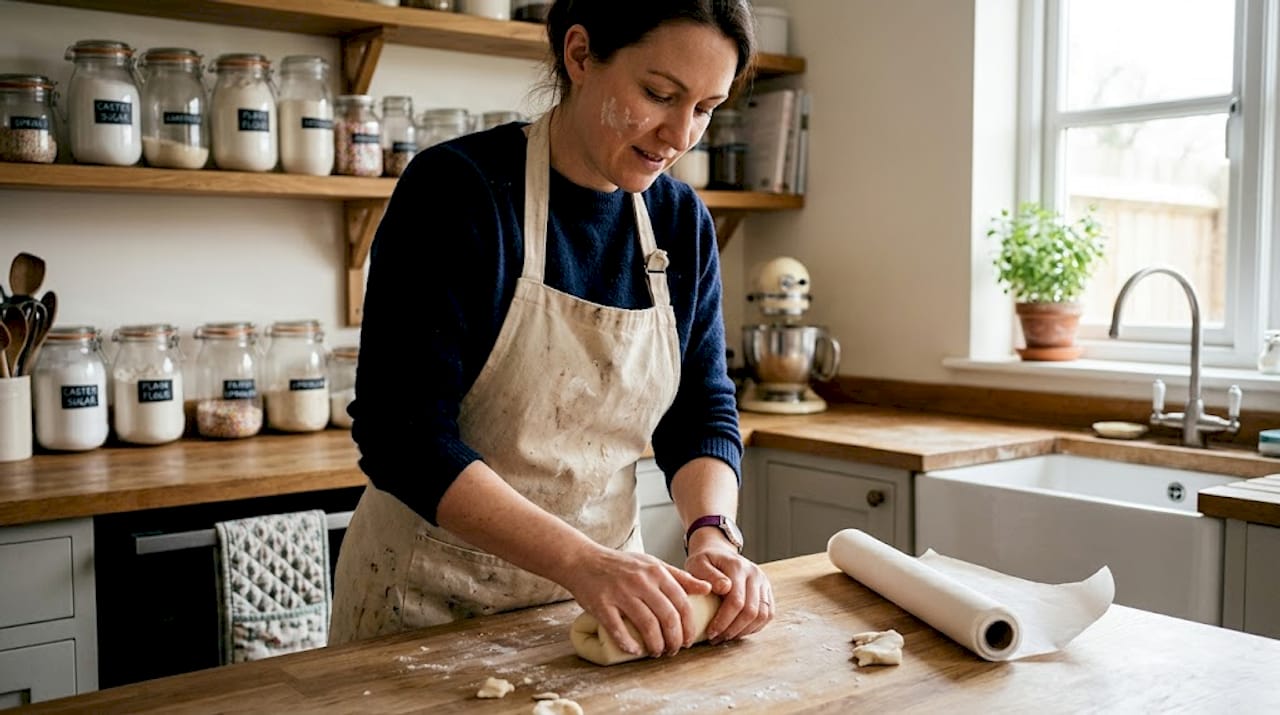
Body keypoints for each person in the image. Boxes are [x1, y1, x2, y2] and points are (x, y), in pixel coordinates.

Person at [330, 0, 774, 659]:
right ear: (579, 55)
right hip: (427, 604)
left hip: (614, 606)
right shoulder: (460, 192)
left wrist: (713, 532)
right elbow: (404, 436)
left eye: (706, 108)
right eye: (659, 93)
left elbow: (699, 408)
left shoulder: (681, 221)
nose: (680, 133)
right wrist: (581, 562)